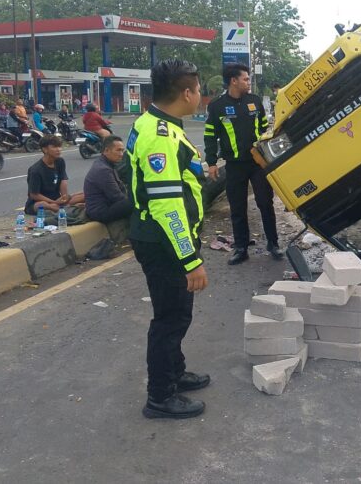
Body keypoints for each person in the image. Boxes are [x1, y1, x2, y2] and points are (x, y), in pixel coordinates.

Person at [127, 59, 209, 420]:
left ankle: (175, 373)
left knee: (178, 313)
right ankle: (160, 395)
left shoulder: (156, 123)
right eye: (199, 89)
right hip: (164, 243)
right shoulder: (158, 136)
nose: (201, 96)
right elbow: (167, 209)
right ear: (188, 93)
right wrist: (190, 260)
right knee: (169, 320)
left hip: (165, 239)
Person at [204, 63, 282, 265]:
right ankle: (241, 248)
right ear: (234, 81)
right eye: (246, 79)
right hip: (234, 165)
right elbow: (210, 136)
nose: (249, 82)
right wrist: (211, 162)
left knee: (265, 202)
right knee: (237, 208)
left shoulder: (254, 101)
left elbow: (266, 129)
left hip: (257, 163)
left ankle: (273, 244)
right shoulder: (217, 106)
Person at [25, 135, 84, 215]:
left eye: (59, 146)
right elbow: (34, 195)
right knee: (42, 205)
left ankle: (64, 207)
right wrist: (53, 202)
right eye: (54, 147)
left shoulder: (60, 161)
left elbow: (63, 181)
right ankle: (65, 208)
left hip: (57, 200)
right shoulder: (35, 170)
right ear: (45, 149)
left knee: (85, 194)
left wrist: (64, 198)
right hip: (39, 203)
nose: (58, 150)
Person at [83, 135, 132, 223]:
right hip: (99, 212)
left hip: (103, 206)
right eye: (118, 150)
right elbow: (116, 196)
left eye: (122, 150)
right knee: (134, 203)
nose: (121, 154)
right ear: (106, 151)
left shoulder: (105, 163)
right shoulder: (103, 170)